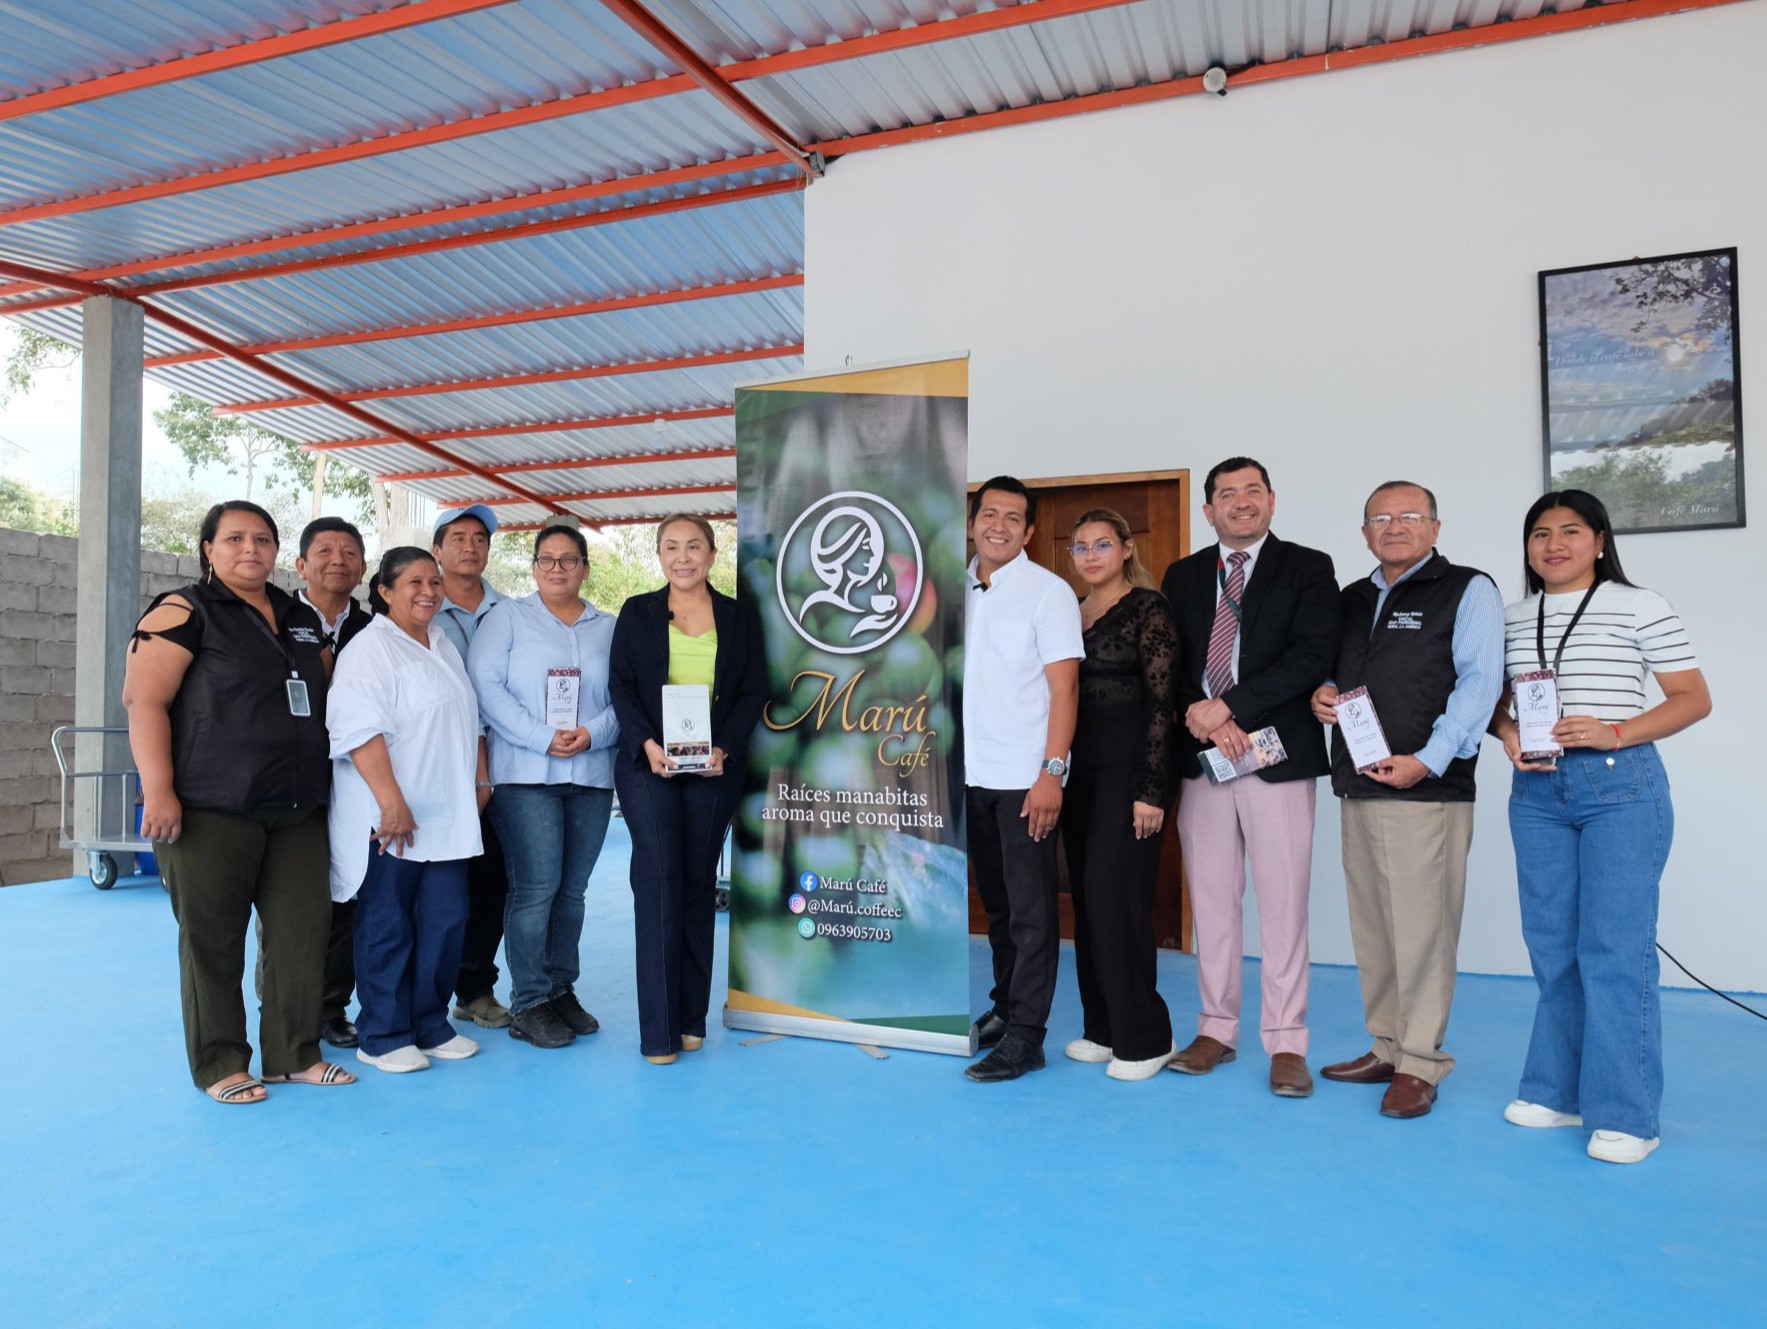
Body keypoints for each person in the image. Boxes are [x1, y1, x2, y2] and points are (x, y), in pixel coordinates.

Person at [1490, 490, 1709, 1164]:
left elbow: (1692, 698)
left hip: (1620, 786)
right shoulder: (1509, 616)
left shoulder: (1639, 604)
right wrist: (1507, 735)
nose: (1553, 544)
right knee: (1552, 945)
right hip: (1536, 789)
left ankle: (1627, 1114)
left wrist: (1613, 730)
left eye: (1570, 531)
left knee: (1613, 948)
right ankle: (1556, 1092)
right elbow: (1491, 701)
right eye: (1540, 533)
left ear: (1599, 540)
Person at [123, 501, 354, 1103]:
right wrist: (159, 791)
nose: (250, 549)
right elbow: (144, 702)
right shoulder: (184, 610)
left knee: (302, 935)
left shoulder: (297, 615)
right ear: (208, 548)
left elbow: (326, 690)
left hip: (298, 809)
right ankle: (220, 1062)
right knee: (214, 942)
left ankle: (293, 1054)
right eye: (234, 539)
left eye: (262, 539)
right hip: (210, 807)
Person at [1310, 481, 1503, 1119]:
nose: (1394, 527)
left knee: (1423, 931)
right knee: (1374, 928)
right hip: (1358, 781)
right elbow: (1340, 669)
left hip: (1427, 788)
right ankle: (1387, 1046)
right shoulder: (1352, 597)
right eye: (1381, 518)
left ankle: (1421, 1061)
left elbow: (1480, 683)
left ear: (1435, 528)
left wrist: (1430, 758)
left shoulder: (1468, 589)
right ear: (1365, 532)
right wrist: (1324, 692)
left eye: (1410, 516)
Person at [1161, 458, 1340, 1098]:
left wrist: (1231, 708)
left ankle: (1287, 1041)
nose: (1242, 502)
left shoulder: (1308, 567)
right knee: (1211, 902)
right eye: (1227, 493)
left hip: (1277, 758)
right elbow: (1169, 661)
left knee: (1283, 904)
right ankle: (1216, 1029)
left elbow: (1311, 655)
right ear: (1208, 509)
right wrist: (1206, 718)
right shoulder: (1183, 574)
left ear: (1271, 500)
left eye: (1253, 491)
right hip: (1203, 759)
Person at [608, 515, 766, 1064]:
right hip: (646, 765)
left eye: (694, 546)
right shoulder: (637, 611)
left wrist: (725, 748)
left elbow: (753, 691)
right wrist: (647, 743)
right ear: (659, 555)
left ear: (712, 554)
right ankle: (659, 1033)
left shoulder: (738, 617)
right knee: (658, 880)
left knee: (698, 882)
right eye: (671, 547)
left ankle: (692, 1019)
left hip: (713, 767)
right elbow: (620, 686)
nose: (683, 557)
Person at [327, 547, 489, 1074]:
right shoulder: (370, 649)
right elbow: (358, 730)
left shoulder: (441, 643)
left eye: (434, 582)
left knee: (445, 923)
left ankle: (429, 1023)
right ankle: (383, 1034)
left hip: (447, 817)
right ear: (385, 591)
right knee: (388, 925)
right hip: (393, 818)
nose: (428, 591)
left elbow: (468, 719)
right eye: (414, 582)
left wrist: (480, 778)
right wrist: (391, 801)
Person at [469, 525, 618, 1050]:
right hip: (526, 776)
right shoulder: (507, 617)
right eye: (547, 559)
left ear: (585, 568)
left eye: (569, 559)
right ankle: (529, 1000)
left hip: (591, 775)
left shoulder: (609, 627)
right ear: (534, 567)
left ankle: (560, 989)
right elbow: (485, 686)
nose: (558, 569)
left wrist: (593, 733)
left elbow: (628, 695)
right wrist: (540, 737)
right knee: (536, 889)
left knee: (572, 891)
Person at [963, 476, 1084, 1083]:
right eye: (990, 514)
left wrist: (1051, 774)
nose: (1000, 526)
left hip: (1025, 781)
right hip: (969, 777)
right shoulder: (953, 591)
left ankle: (1027, 1036)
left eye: (1014, 518)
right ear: (972, 523)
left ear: (1030, 531)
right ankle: (1006, 1009)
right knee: (999, 908)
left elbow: (1066, 690)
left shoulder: (1048, 592)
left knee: (1033, 913)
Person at [1060, 508, 1177, 1081]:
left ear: (1127, 548)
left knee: (1117, 898)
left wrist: (1150, 790)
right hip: (1075, 771)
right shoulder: (1068, 610)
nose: (1090, 556)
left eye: (1101, 544)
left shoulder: (1148, 608)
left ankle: (1147, 1037)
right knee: (1087, 899)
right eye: (1079, 547)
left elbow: (1163, 703)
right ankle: (1103, 1029)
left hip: (1130, 771)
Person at [432, 503, 512, 1030]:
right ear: (438, 549)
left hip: (499, 771)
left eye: (479, 538)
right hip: (434, 770)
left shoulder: (513, 612)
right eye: (458, 537)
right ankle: (420, 995)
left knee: (491, 883)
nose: (470, 546)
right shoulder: (417, 605)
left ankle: (475, 988)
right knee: (434, 888)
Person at [295, 516, 373, 1049]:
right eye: (325, 551)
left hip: (356, 783)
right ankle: (287, 1009)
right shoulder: (274, 619)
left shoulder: (375, 628)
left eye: (349, 553)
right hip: (292, 781)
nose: (337, 561)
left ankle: (330, 1008)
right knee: (294, 901)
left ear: (363, 568)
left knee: (347, 896)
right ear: (302, 564)